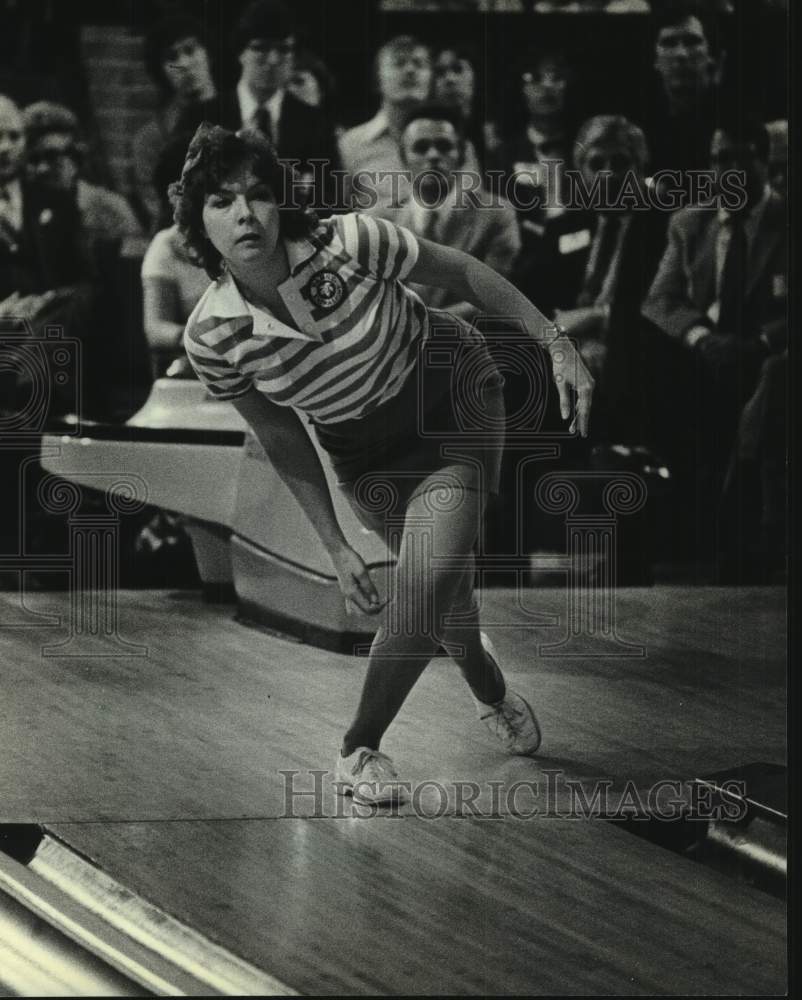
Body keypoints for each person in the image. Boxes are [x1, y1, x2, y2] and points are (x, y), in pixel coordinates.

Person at [174, 124, 592, 803]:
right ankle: (488, 687)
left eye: (257, 195)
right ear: (199, 221)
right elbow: (283, 438)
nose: (245, 214)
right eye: (222, 201)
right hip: (362, 454)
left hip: (450, 394)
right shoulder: (213, 335)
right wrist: (334, 545)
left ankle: (358, 748)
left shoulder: (350, 242)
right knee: (442, 589)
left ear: (281, 202)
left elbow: (461, 271)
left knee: (425, 578)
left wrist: (555, 344)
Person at [642, 113, 786, 576]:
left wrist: (762, 341)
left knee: (772, 383)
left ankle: (748, 536)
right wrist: (702, 338)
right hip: (706, 350)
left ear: (766, 163)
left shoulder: (789, 220)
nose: (729, 170)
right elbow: (660, 300)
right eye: (719, 159)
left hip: (770, 352)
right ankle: (679, 539)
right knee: (661, 375)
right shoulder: (690, 223)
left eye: (742, 159)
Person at [518, 115, 667, 443]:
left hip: (629, 347)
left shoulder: (665, 230)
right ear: (580, 173)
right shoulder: (564, 228)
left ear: (642, 168)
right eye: (596, 164)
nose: (609, 175)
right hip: (562, 347)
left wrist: (597, 317)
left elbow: (662, 305)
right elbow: (528, 293)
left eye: (621, 163)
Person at [371, 101, 520, 321]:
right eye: (420, 147)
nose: (432, 155)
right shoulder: (378, 220)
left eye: (444, 146)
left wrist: (423, 322)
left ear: (461, 155)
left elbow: (496, 298)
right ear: (403, 158)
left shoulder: (496, 214)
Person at [211, 0, 342, 211]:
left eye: (283, 50)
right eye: (260, 48)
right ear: (240, 52)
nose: (272, 60)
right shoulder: (205, 116)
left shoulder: (316, 125)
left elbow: (328, 203)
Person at [339, 35, 481, 210]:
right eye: (399, 63)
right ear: (377, 80)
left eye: (419, 63)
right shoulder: (351, 144)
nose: (410, 70)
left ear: (431, 78)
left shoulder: (458, 143)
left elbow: (473, 216)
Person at [130, 12, 218, 232]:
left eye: (190, 50)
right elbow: (157, 206)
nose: (184, 64)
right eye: (172, 58)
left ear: (208, 54)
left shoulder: (243, 112)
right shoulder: (151, 139)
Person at [22, 100, 143, 251]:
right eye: (33, 160)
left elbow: (132, 265)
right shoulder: (20, 212)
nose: (42, 169)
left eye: (52, 157)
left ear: (76, 158)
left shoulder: (110, 208)